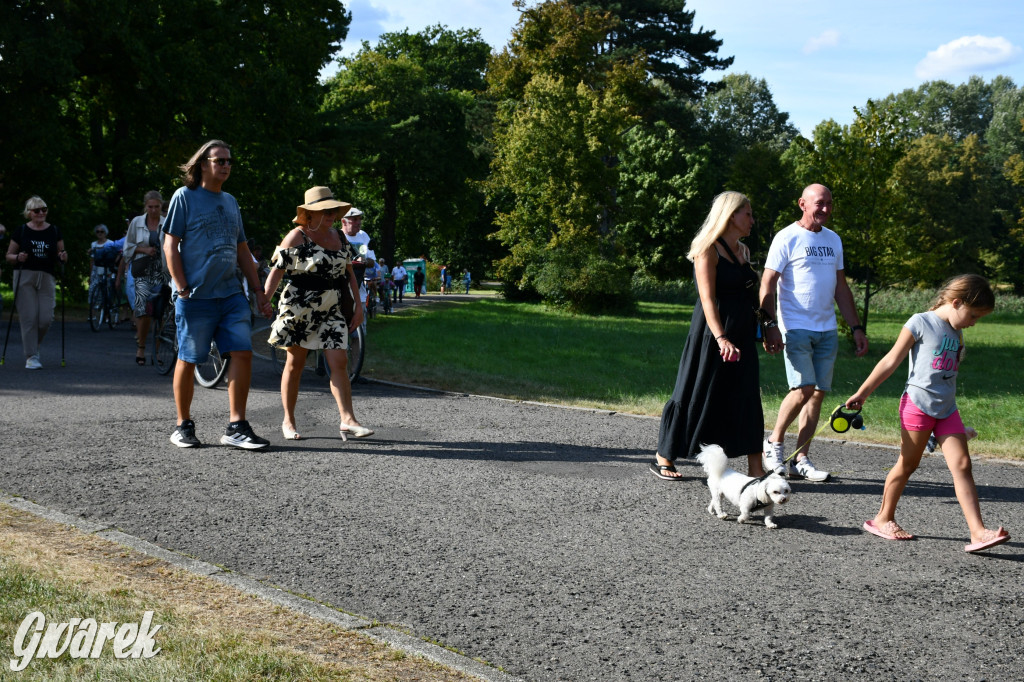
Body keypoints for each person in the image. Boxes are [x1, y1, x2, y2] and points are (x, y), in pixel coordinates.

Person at [845, 274, 1009, 553]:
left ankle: (978, 533)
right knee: (908, 464)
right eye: (973, 315)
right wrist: (863, 393)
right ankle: (882, 518)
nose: (974, 322)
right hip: (918, 406)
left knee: (963, 466)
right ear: (956, 302)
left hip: (947, 409)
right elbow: (890, 360)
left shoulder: (956, 330)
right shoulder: (920, 322)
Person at [162, 139, 273, 449]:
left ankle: (237, 426)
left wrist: (258, 290)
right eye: (219, 160)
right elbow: (170, 245)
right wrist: (182, 287)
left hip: (230, 294)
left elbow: (242, 249)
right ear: (203, 164)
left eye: (229, 161)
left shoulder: (230, 202)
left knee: (242, 352)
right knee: (189, 358)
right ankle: (183, 425)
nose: (226, 165)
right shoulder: (184, 197)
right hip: (195, 296)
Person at [651, 191, 765, 480]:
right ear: (731, 215)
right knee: (694, 390)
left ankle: (756, 468)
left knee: (747, 396)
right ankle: (665, 454)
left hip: (742, 335)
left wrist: (768, 326)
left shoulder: (743, 251)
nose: (752, 220)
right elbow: (707, 299)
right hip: (713, 334)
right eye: (748, 214)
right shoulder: (708, 250)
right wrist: (721, 338)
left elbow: (751, 297)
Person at [759, 183, 868, 481]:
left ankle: (800, 458)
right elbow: (767, 283)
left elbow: (841, 288)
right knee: (803, 388)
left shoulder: (833, 239)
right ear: (802, 204)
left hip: (827, 329)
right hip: (795, 327)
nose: (826, 208)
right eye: (820, 203)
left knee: (817, 394)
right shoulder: (786, 237)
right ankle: (773, 444)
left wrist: (856, 328)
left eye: (829, 203)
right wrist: (768, 325)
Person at [264, 186, 372, 441]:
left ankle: (348, 419)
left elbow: (349, 273)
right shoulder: (297, 236)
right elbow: (276, 272)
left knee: (339, 361)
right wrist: (263, 301)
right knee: (295, 363)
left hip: (332, 306)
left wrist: (358, 307)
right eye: (325, 211)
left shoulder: (339, 237)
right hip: (300, 306)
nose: (331, 215)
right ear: (310, 214)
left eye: (333, 211)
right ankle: (288, 420)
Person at [5, 196, 68, 369]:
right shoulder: (21, 230)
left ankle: (34, 345)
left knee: (45, 319)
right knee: (29, 318)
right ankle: (31, 356)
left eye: (44, 209)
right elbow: (9, 256)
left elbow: (61, 255)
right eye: (37, 210)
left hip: (47, 276)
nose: (41, 213)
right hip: (24, 276)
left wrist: (63, 257)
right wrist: (17, 257)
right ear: (29, 213)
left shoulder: (54, 230)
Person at [124, 190, 167, 365]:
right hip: (142, 269)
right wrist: (144, 250)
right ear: (145, 207)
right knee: (144, 311)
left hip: (162, 270)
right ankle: (141, 347)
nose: (154, 210)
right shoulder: (136, 223)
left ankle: (157, 351)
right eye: (150, 207)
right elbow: (127, 247)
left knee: (161, 312)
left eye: (157, 207)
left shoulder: (167, 222)